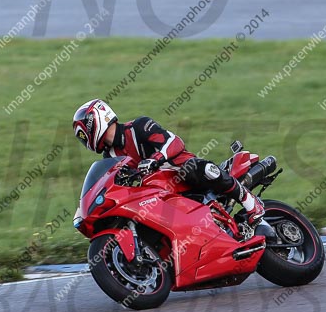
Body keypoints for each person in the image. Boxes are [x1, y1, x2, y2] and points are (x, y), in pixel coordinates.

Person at [72, 99, 264, 239]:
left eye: (83, 132)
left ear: (95, 120)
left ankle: (251, 203)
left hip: (182, 172)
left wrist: (155, 159)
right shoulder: (110, 158)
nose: (84, 138)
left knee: (198, 169)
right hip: (159, 191)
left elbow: (174, 142)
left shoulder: (139, 126)